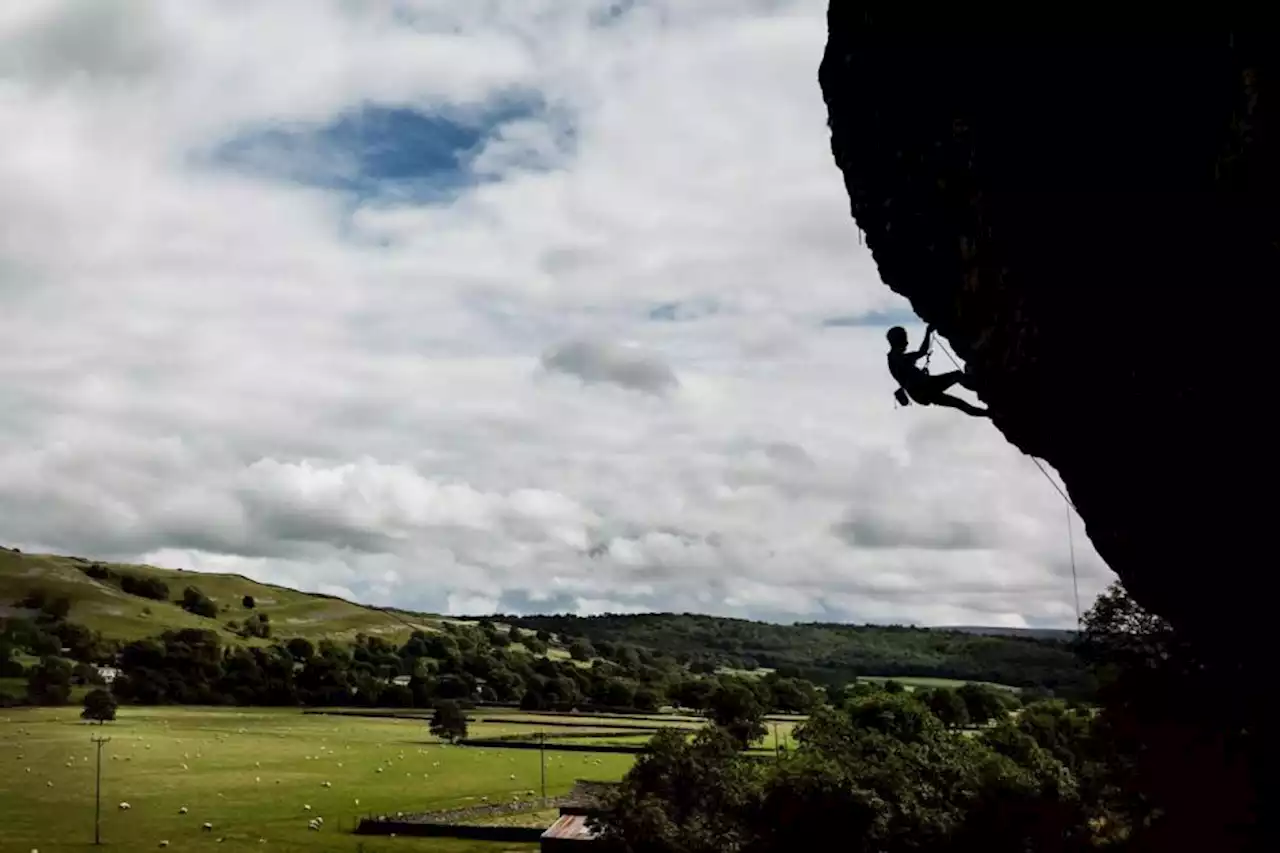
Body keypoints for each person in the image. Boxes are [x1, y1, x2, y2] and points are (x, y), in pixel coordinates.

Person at [886, 324, 989, 417]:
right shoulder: (897, 358)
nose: (907, 342)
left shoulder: (896, 358)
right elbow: (921, 353)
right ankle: (980, 387)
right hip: (925, 388)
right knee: (957, 382)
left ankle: (988, 411)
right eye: (904, 338)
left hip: (922, 391)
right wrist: (928, 332)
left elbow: (920, 355)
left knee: (958, 401)